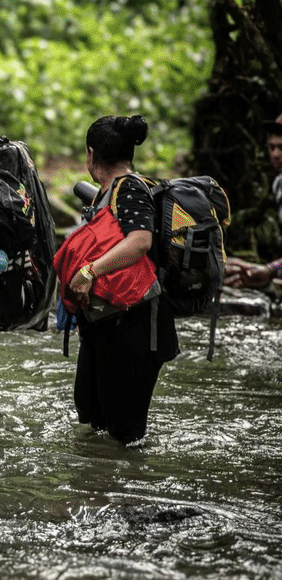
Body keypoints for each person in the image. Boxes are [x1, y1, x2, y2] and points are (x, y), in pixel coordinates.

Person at [60, 115, 179, 445]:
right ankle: (102, 486)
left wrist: (90, 271)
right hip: (108, 320)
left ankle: (128, 493)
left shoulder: (129, 189)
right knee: (93, 414)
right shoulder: (105, 193)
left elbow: (140, 240)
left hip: (137, 324)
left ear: (90, 153)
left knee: (125, 431)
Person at [225, 114, 282, 288]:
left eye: (281, 148)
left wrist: (270, 270)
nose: (275, 154)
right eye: (271, 147)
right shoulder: (279, 183)